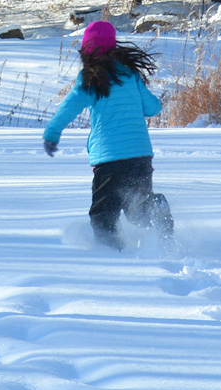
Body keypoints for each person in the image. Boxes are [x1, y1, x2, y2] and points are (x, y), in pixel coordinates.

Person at [43, 20, 173, 251]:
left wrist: (52, 133)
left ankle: (111, 255)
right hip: (140, 155)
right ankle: (155, 206)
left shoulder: (90, 79)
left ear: (87, 49)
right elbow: (153, 108)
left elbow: (68, 108)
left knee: (103, 214)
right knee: (137, 210)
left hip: (109, 160)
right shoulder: (131, 75)